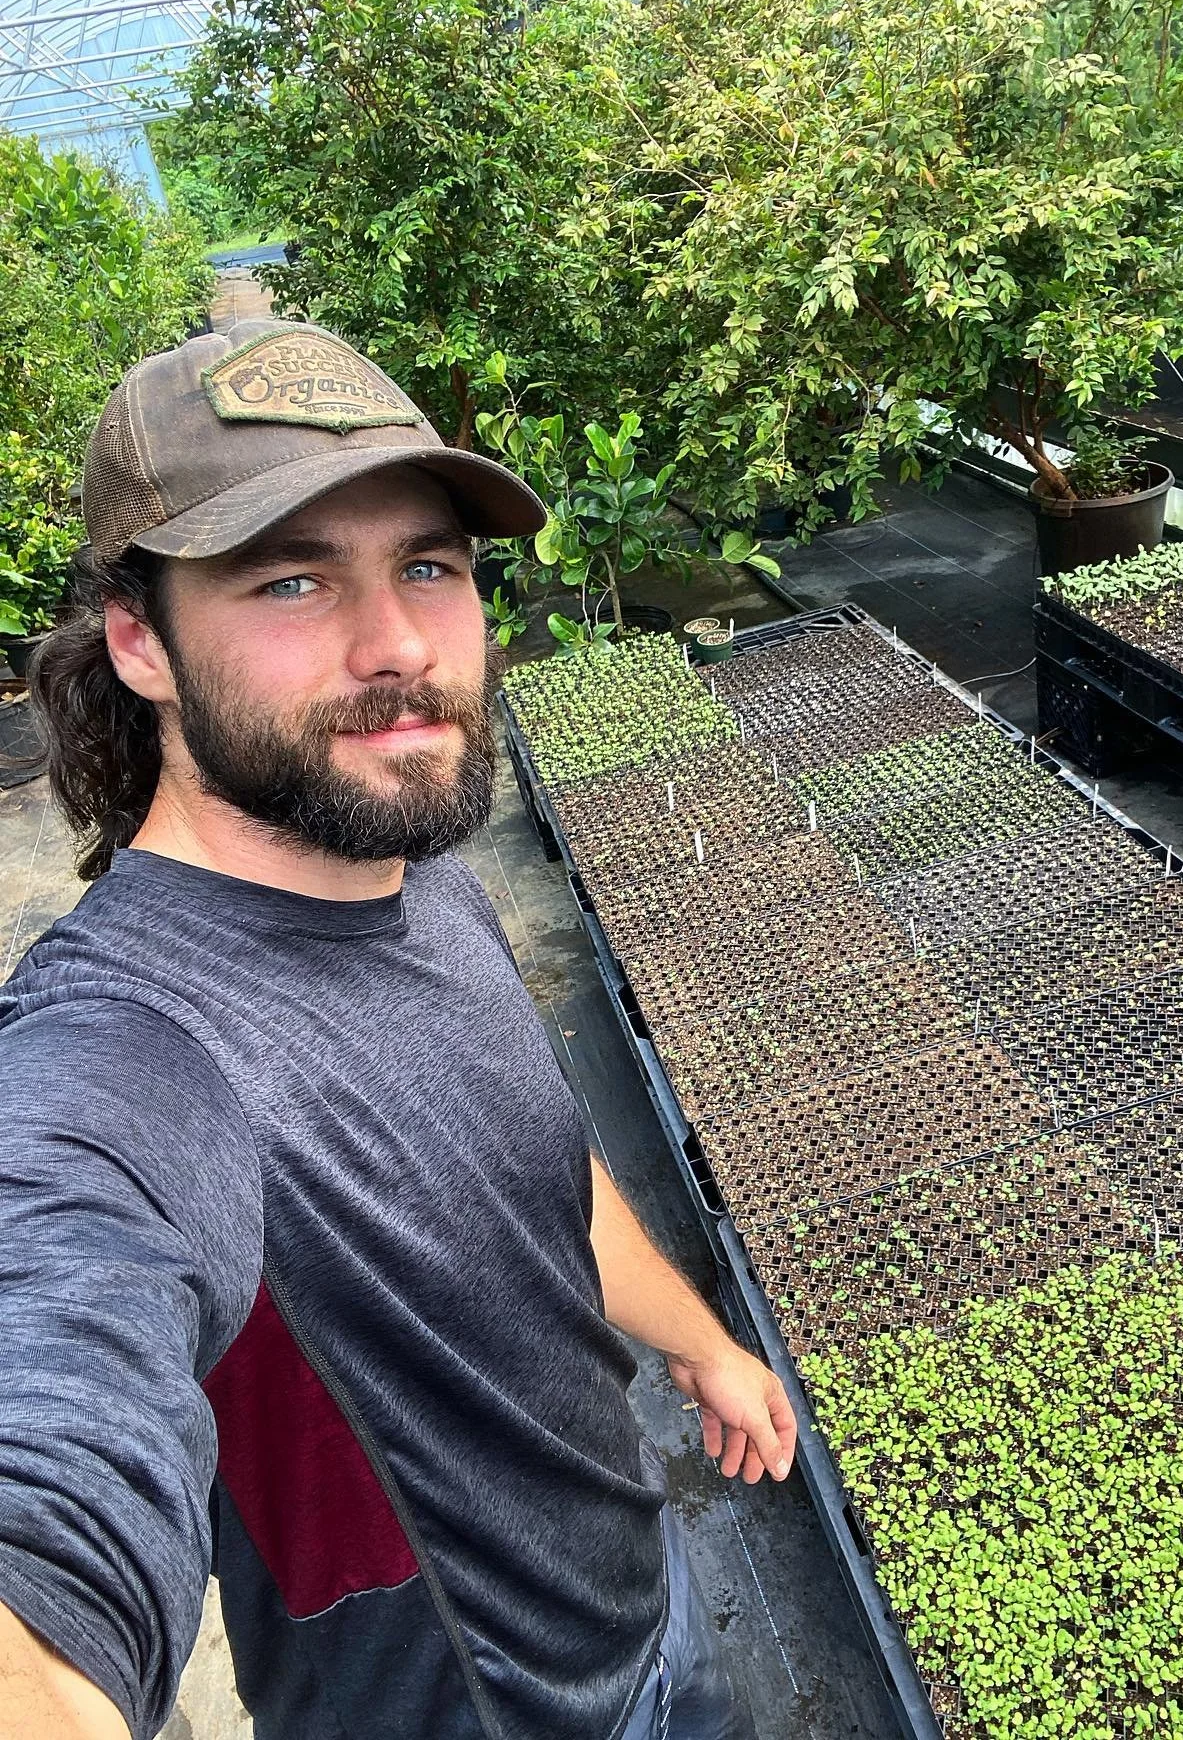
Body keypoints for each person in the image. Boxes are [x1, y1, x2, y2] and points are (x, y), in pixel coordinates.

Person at [0, 321, 796, 1740]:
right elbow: (53, 1407)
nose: (400, 646)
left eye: (428, 565)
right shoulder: (124, 1056)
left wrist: (703, 1345)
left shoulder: (420, 875)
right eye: (292, 579)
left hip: (647, 1624)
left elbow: (532, 1174)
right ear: (142, 640)